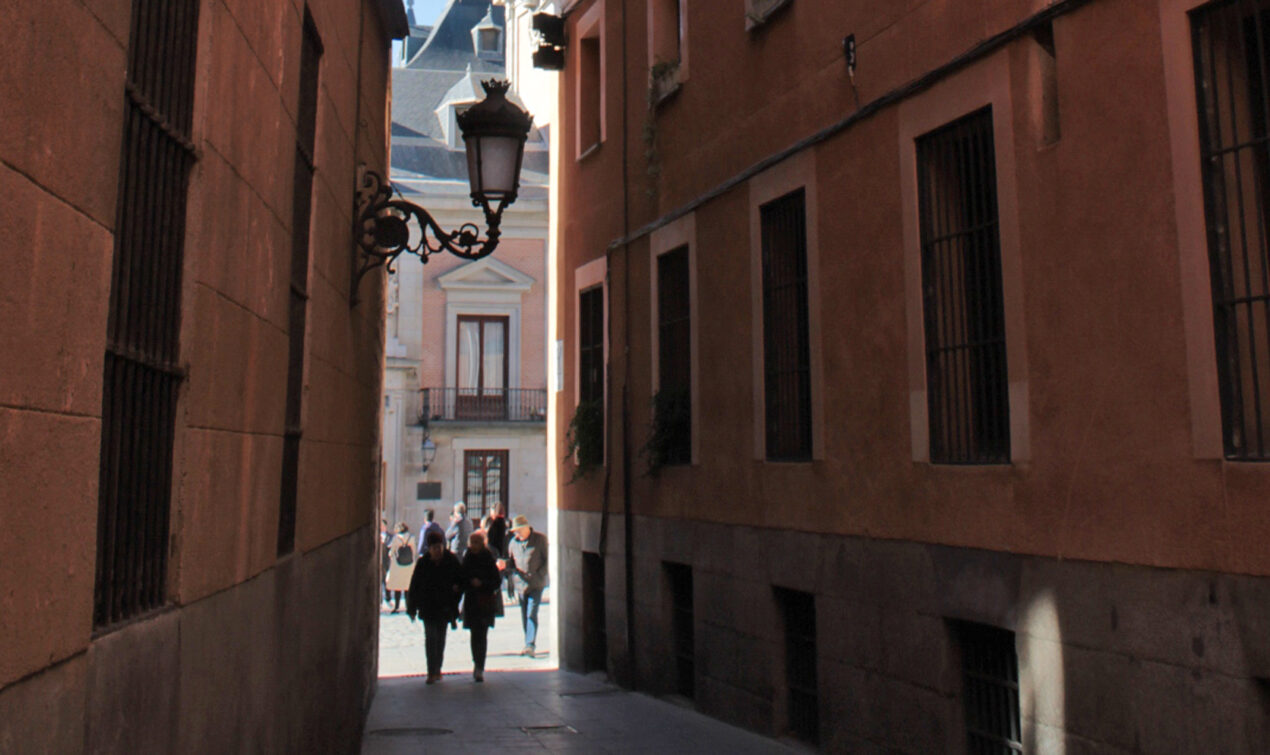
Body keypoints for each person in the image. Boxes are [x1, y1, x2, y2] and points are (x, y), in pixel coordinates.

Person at [406, 531, 463, 684]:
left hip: (445, 607)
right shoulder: (423, 563)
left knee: (441, 638)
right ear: (429, 548)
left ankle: (438, 668)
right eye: (434, 548)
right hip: (428, 607)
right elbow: (414, 586)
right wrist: (412, 608)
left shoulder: (451, 560)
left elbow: (460, 580)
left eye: (440, 547)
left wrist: (456, 595)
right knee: (431, 638)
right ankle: (431, 671)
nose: (437, 550)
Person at [500, 515, 548, 657]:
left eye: (518, 531)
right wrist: (505, 565)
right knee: (524, 615)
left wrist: (540, 574)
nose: (516, 534)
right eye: (515, 532)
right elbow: (511, 563)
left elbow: (547, 559)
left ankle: (530, 644)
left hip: (536, 584)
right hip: (520, 585)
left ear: (525, 528)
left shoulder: (540, 540)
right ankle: (527, 642)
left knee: (531, 613)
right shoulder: (513, 543)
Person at [460, 530, 501, 682]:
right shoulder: (468, 558)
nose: (474, 546)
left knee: (482, 635)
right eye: (472, 543)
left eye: (476, 543)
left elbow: (496, 581)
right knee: (474, 635)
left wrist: (482, 583)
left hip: (484, 602)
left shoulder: (487, 558)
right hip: (471, 602)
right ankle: (476, 662)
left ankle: (480, 667)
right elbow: (462, 577)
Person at [384, 522, 416, 613]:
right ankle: (408, 606)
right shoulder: (411, 538)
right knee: (407, 587)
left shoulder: (396, 539)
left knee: (398, 587)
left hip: (398, 565)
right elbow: (414, 551)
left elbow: (391, 552)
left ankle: (397, 607)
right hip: (409, 565)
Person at [380, 519, 393, 606]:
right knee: (379, 582)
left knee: (387, 582)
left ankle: (388, 598)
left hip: (386, 562)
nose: (381, 527)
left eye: (382, 525)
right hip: (379, 562)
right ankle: (379, 601)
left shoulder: (390, 536)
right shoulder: (376, 536)